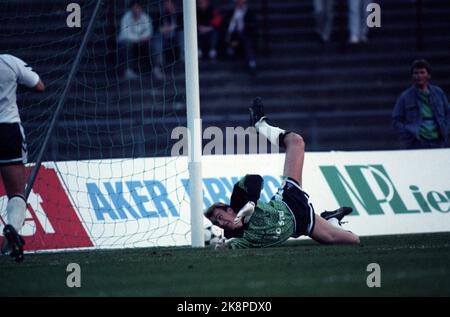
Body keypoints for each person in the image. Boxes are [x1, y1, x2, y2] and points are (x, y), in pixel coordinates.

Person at [204, 97, 360, 249]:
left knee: (296, 141)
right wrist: (221, 246)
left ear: (229, 210)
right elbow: (228, 246)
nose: (222, 223)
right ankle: (331, 220)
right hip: (302, 222)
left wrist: (251, 202)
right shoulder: (237, 237)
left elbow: (254, 179)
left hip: (288, 201)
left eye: (220, 217)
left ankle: (261, 125)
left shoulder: (238, 201)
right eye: (217, 223)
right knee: (353, 240)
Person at [0, 54, 45, 262]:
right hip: (8, 129)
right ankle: (11, 232)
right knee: (17, 193)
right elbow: (39, 86)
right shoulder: (8, 61)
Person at [392, 59, 450, 149]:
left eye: (422, 72)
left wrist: (445, 128)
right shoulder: (405, 96)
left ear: (428, 75)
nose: (419, 76)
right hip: (416, 142)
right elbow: (396, 120)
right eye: (416, 73)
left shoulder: (438, 93)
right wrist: (408, 133)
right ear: (412, 76)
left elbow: (448, 113)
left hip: (438, 141)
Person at [117, 1, 163, 79]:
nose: (136, 9)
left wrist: (140, 39)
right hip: (129, 42)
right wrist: (139, 39)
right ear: (131, 8)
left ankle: (156, 69)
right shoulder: (126, 17)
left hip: (141, 42)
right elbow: (125, 34)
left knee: (152, 44)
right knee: (126, 45)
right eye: (135, 7)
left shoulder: (145, 17)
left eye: (138, 7)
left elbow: (149, 32)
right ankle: (128, 71)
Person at [224, 0, 258, 74]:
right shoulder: (231, 12)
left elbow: (252, 27)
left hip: (245, 35)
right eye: (238, 2)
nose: (240, 3)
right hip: (232, 35)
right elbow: (228, 26)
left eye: (242, 2)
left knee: (246, 41)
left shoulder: (250, 13)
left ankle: (252, 63)